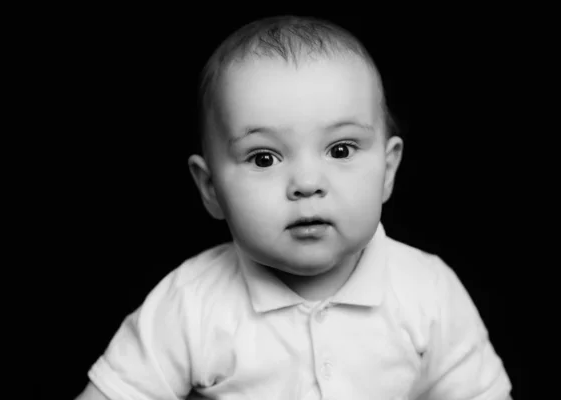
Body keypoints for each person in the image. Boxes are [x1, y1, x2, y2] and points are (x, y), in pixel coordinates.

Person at [76, 15, 513, 400]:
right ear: (210, 188)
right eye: (264, 158)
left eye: (341, 150)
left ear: (387, 168)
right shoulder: (190, 304)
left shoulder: (428, 291)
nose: (307, 184)